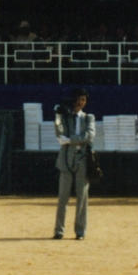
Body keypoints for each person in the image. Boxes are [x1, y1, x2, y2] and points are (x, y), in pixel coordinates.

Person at [54, 88, 95, 240]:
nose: (80, 102)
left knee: (82, 197)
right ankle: (59, 230)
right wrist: (57, 117)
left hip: (83, 159)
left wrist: (70, 140)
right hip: (66, 160)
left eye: (83, 100)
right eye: (78, 99)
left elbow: (89, 136)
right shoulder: (66, 117)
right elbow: (59, 134)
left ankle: (80, 231)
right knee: (62, 197)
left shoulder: (88, 117)